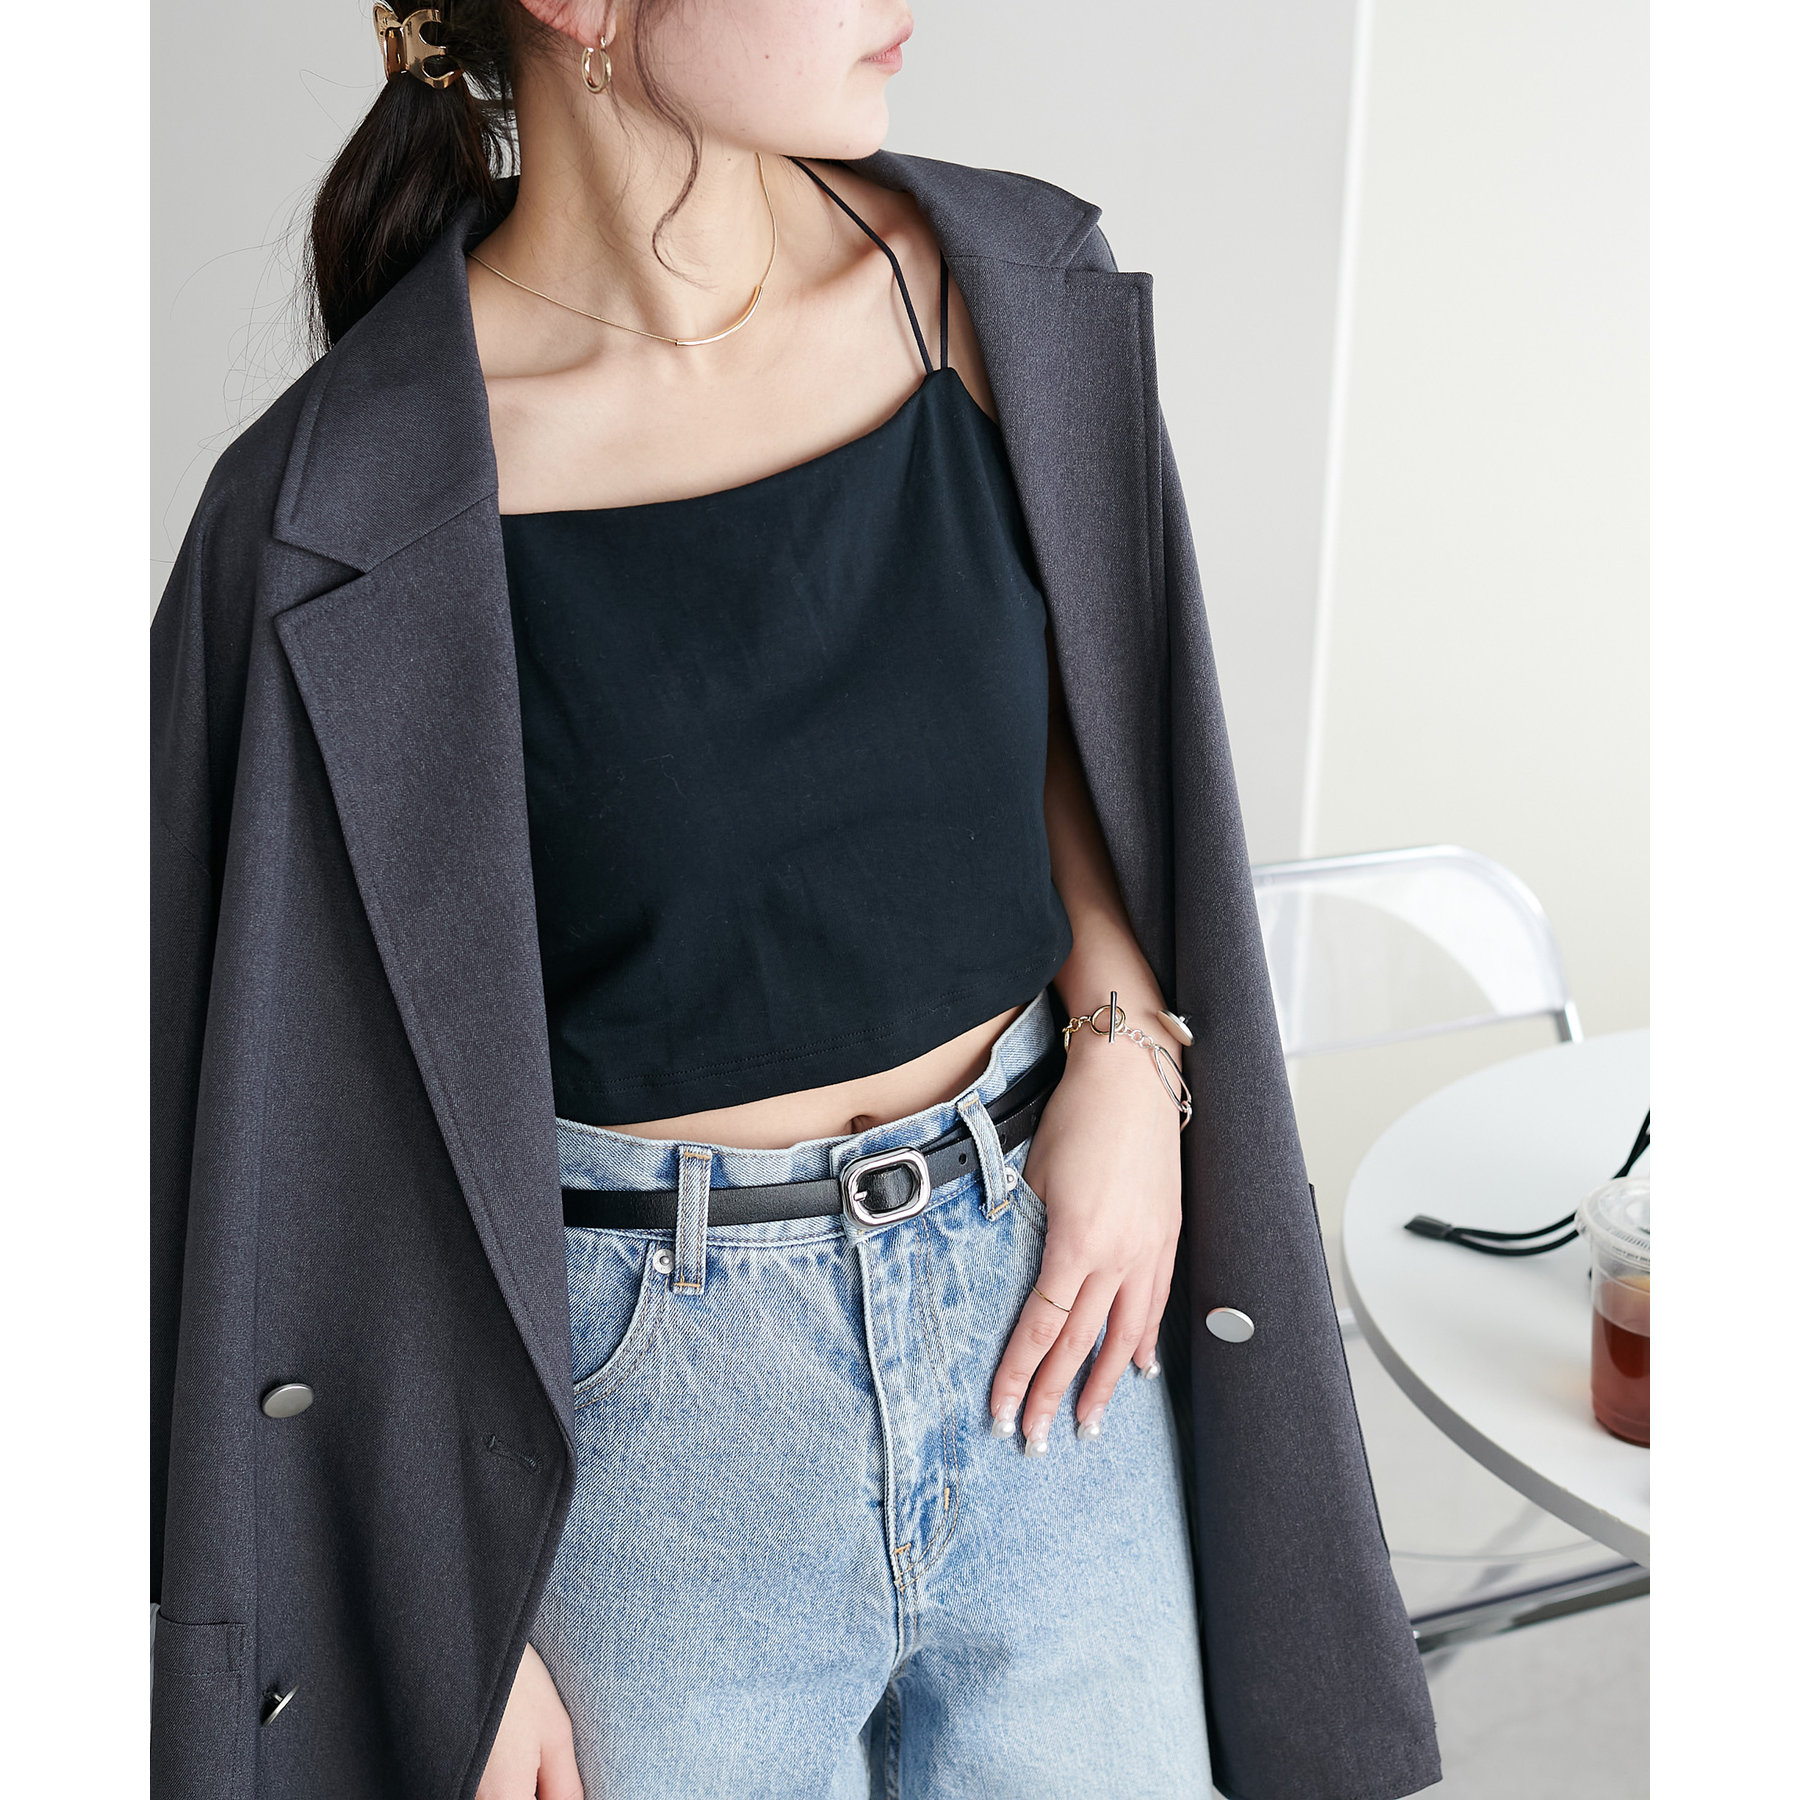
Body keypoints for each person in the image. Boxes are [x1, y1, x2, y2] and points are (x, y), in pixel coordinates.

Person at [150, 5, 1439, 1798]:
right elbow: (257, 1112)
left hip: (1055, 1322)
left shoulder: (1001, 290)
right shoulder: (333, 507)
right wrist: (434, 1625)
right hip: (630, 1438)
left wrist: (1127, 1047)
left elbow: (1084, 731)